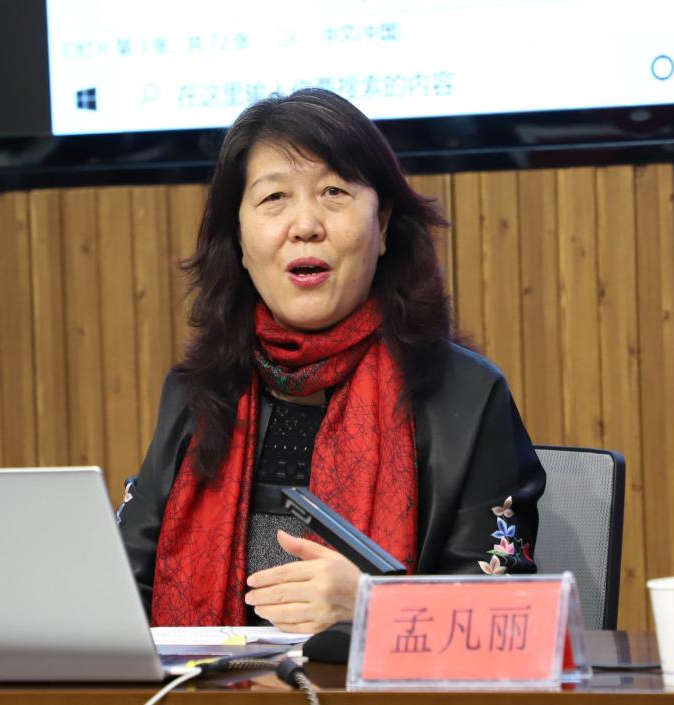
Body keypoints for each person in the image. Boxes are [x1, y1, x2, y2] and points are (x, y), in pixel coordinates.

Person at [118, 88, 545, 633]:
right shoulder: (198, 391)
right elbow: (124, 589)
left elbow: (504, 617)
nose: (305, 225)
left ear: (383, 225)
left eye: (333, 192)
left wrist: (371, 606)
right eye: (274, 198)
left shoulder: (464, 395)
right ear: (240, 240)